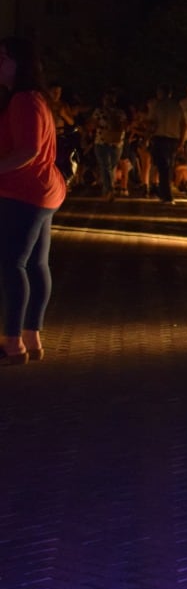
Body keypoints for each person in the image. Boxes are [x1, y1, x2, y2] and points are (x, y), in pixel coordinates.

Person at [0, 37, 67, 365]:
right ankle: (31, 338)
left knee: (12, 264)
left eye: (3, 58)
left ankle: (12, 343)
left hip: (23, 191)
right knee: (36, 264)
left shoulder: (23, 100)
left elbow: (27, 151)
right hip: (45, 189)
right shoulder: (36, 98)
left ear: (19, 63)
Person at [88, 89, 129, 200]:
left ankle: (108, 190)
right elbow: (126, 126)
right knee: (110, 166)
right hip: (116, 142)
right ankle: (109, 190)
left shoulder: (99, 112)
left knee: (106, 166)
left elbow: (92, 125)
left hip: (101, 141)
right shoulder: (120, 113)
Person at [147, 84, 185, 203]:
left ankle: (166, 195)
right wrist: (181, 142)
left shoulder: (157, 106)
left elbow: (152, 123)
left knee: (162, 167)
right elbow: (184, 124)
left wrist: (147, 137)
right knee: (169, 166)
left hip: (160, 138)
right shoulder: (177, 106)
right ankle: (166, 193)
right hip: (174, 139)